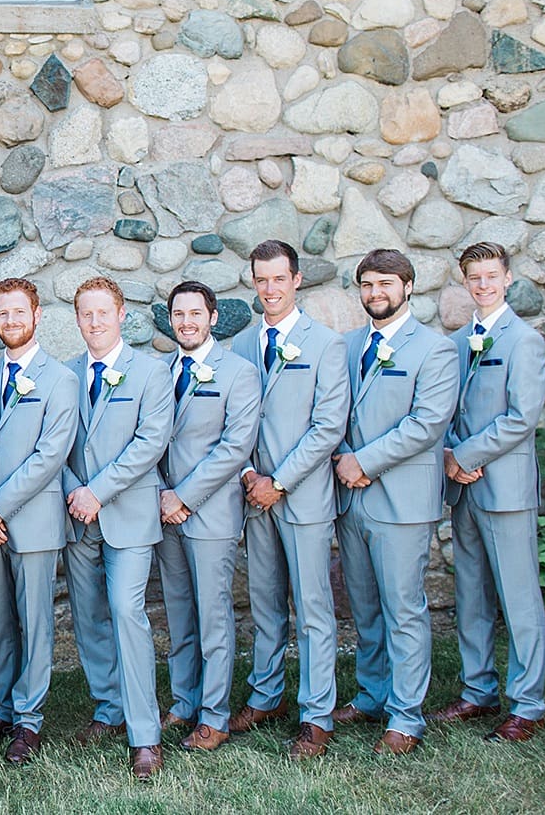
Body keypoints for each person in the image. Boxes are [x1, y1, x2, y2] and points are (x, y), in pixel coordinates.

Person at [332, 249, 458, 755]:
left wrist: (363, 461)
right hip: (351, 499)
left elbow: (427, 423)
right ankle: (371, 695)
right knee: (365, 608)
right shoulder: (346, 345)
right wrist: (343, 457)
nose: (375, 292)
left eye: (385, 283)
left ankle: (406, 716)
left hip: (402, 500)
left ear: (408, 286)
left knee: (403, 608)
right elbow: (332, 411)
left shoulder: (434, 349)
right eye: (367, 284)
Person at [227, 241, 349, 759]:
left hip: (302, 497)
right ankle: (266, 695)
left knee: (313, 608)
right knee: (266, 604)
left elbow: (328, 426)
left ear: (297, 280)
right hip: (254, 496)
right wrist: (250, 474)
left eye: (279, 279)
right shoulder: (240, 345)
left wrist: (279, 481)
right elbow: (235, 421)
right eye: (262, 280)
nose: (270, 289)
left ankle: (316, 715)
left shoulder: (326, 344)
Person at [429, 242, 545, 743]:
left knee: (518, 598)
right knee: (471, 594)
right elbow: (445, 410)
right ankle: (477, 690)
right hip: (464, 488)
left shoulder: (524, 341)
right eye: (474, 277)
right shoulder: (457, 342)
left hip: (505, 489)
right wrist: (449, 455)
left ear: (507, 278)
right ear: (465, 281)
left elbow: (522, 417)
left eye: (491, 276)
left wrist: (465, 455)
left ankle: (528, 703)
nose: (483, 285)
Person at [60, 278, 174, 780]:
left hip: (127, 515)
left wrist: (97, 492)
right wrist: (74, 491)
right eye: (86, 314)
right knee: (88, 618)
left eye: (103, 312)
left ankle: (145, 735)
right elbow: (56, 443)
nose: (95, 322)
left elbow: (150, 443)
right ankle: (108, 707)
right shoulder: (65, 375)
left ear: (122, 314)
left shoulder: (150, 372)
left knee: (128, 613)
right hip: (77, 515)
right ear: (77, 319)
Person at [0, 277, 79, 764]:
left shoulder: (60, 379)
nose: (11, 321)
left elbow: (50, 455)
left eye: (19, 312)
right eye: (3, 313)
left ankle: (29, 721)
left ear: (37, 315)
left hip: (32, 520)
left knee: (35, 623)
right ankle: (4, 707)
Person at [156, 281, 260, 754]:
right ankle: (184, 700)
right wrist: (163, 496)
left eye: (195, 313)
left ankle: (214, 716)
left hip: (210, 513)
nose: (187, 322)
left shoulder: (238, 372)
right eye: (179, 314)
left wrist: (184, 497)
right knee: (179, 612)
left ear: (213, 317)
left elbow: (235, 447)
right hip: (164, 513)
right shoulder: (160, 372)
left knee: (213, 617)